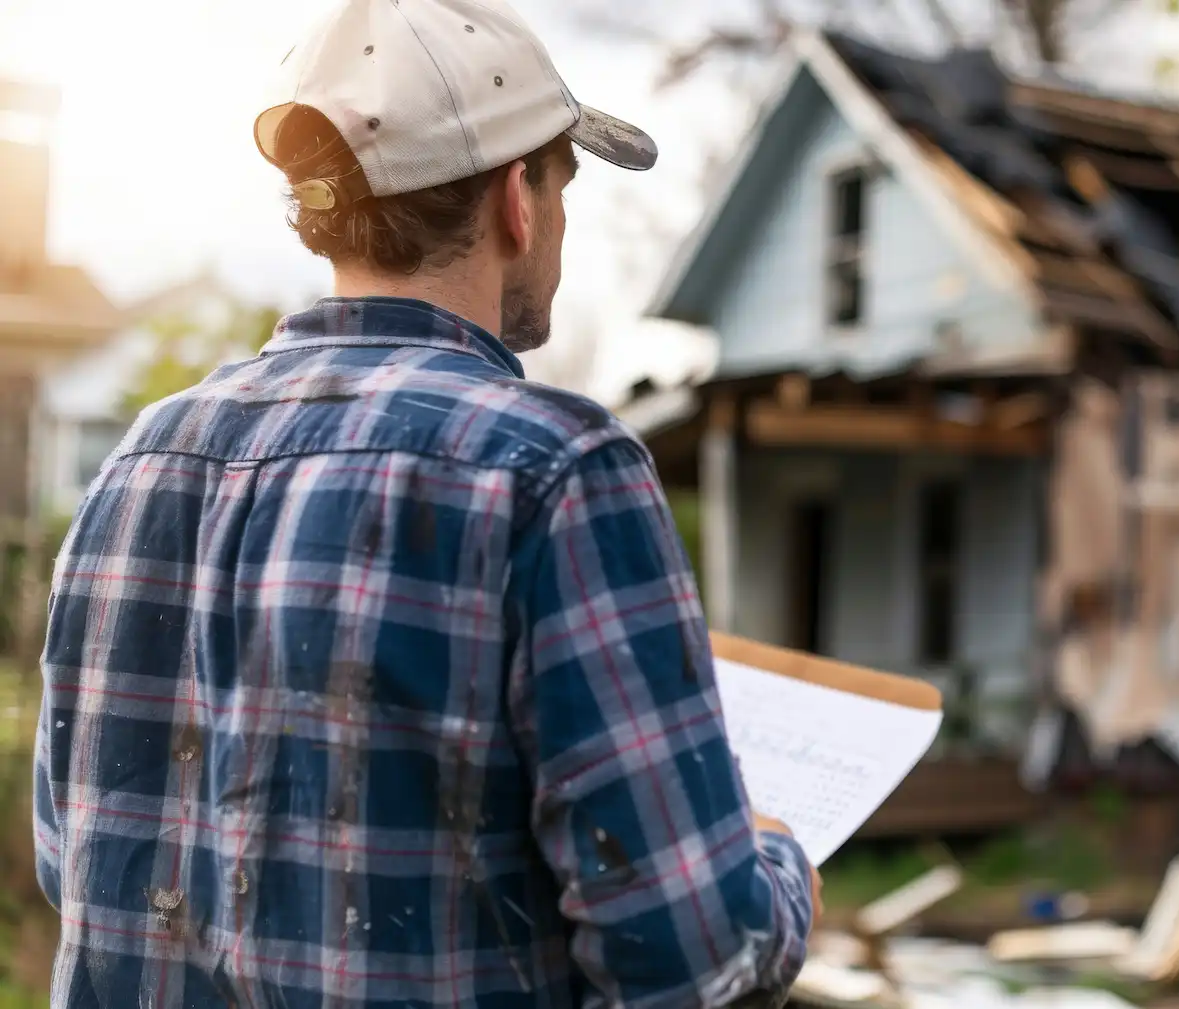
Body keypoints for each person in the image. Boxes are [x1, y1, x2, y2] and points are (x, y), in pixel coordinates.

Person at [32, 1, 821, 1007]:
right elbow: (697, 956)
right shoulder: (553, 470)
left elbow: (81, 864)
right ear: (515, 201)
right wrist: (780, 866)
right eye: (563, 183)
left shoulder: (137, 463)